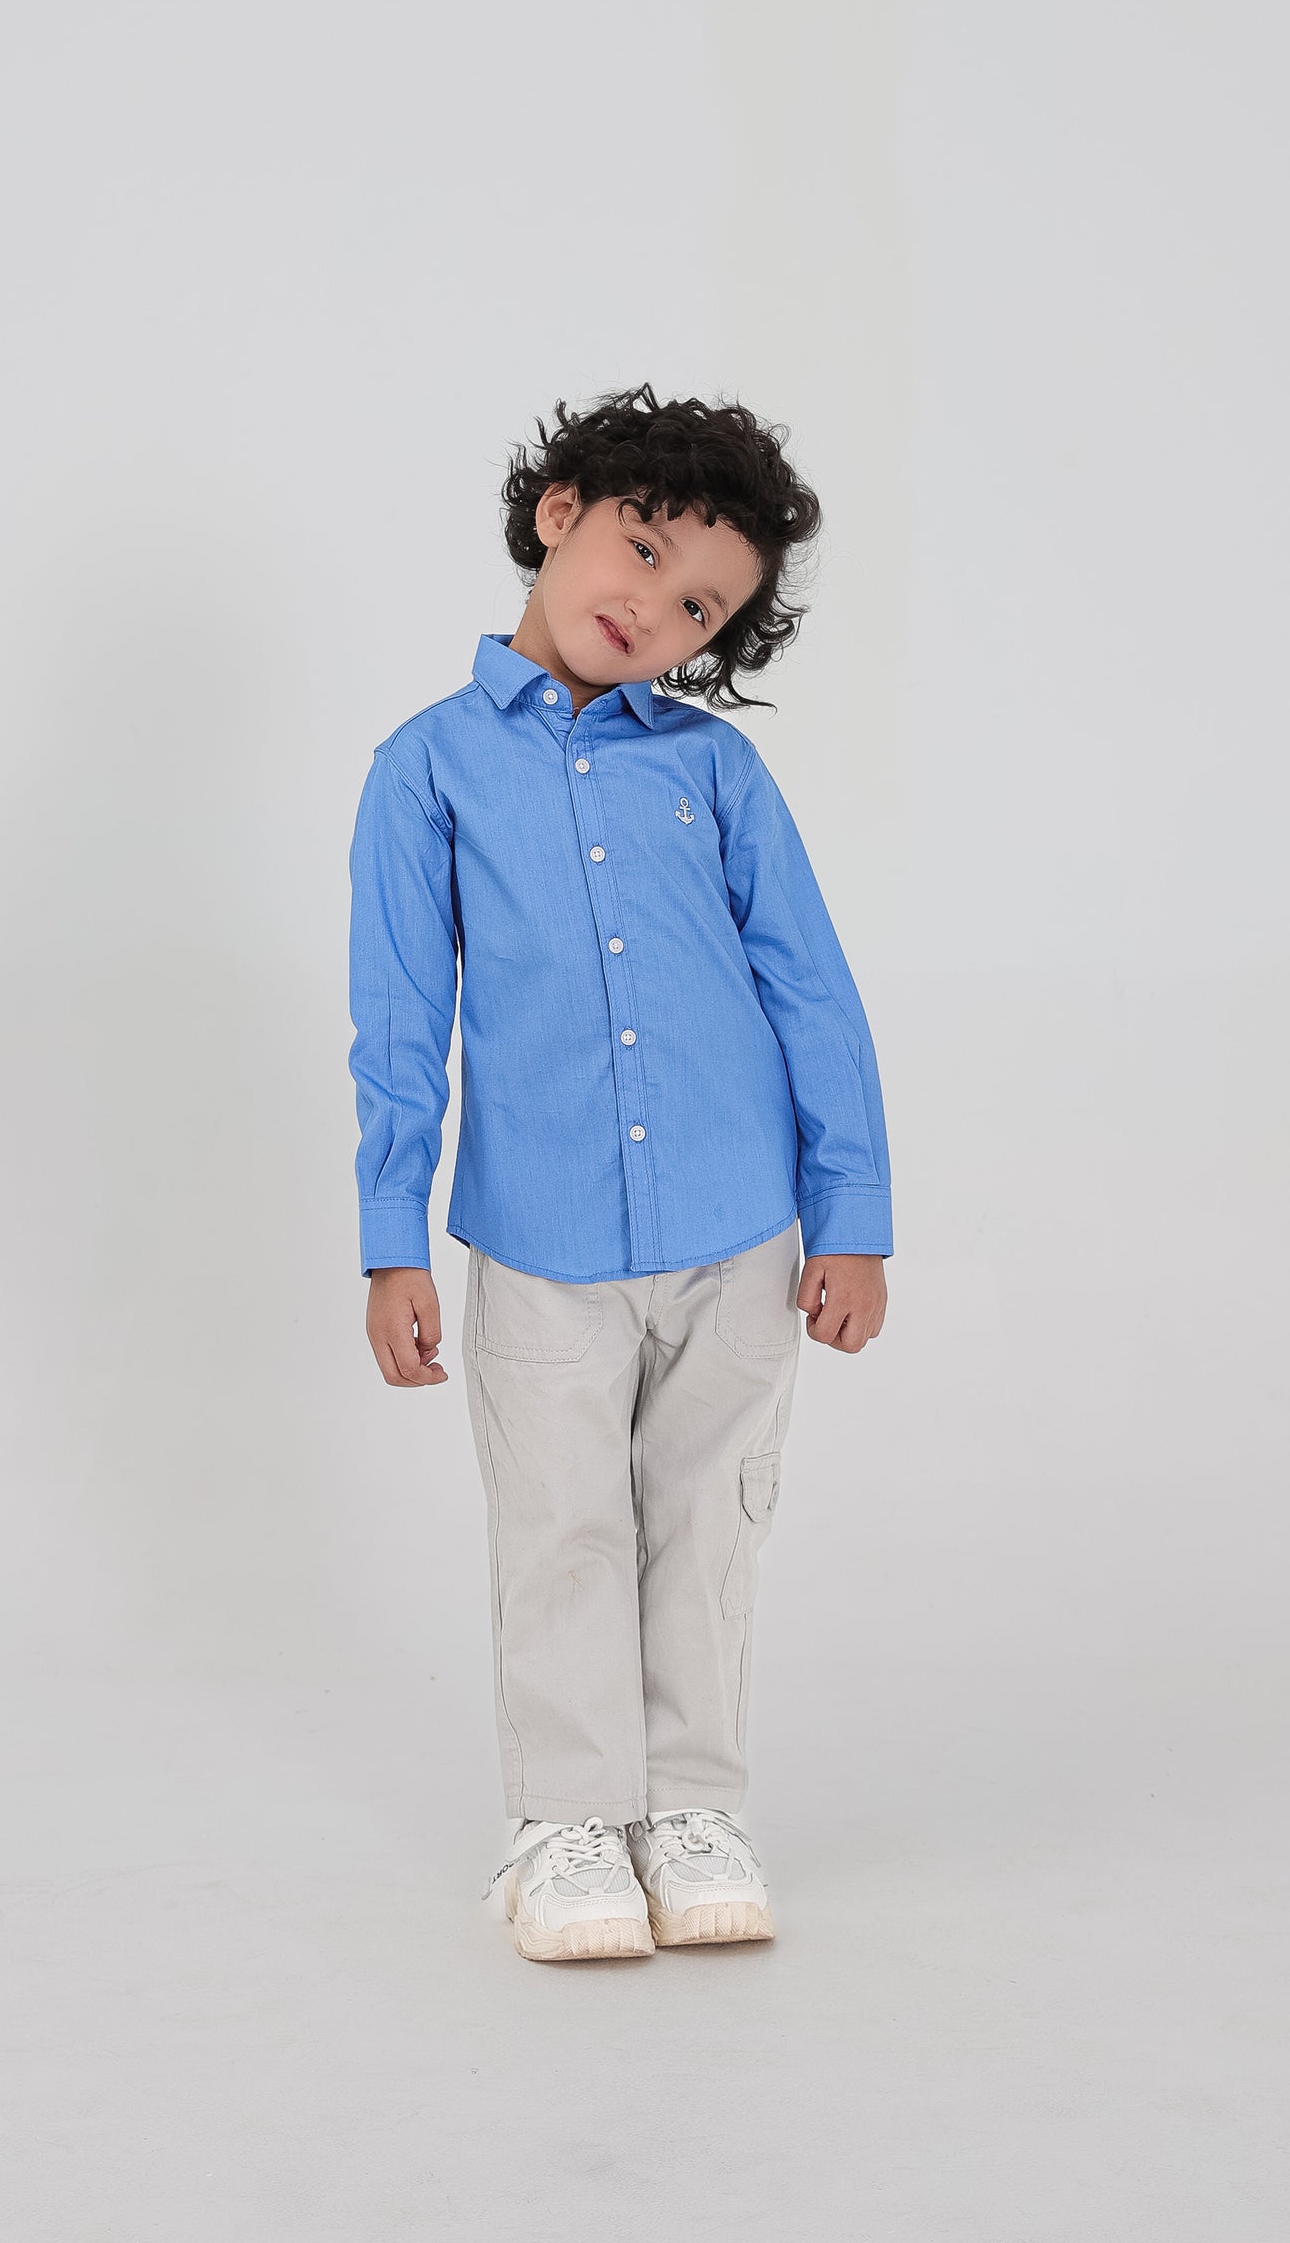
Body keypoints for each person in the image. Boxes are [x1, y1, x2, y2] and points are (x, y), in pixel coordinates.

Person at [347, 382, 891, 1962]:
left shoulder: (717, 775)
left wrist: (853, 1216)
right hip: (541, 1244)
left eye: (700, 605)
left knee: (710, 1524)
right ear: (558, 511)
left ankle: (694, 1807)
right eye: (644, 552)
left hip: (741, 1232)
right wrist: (391, 1239)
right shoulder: (425, 770)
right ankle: (567, 1824)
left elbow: (812, 993)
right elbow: (402, 1022)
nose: (655, 608)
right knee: (561, 1527)